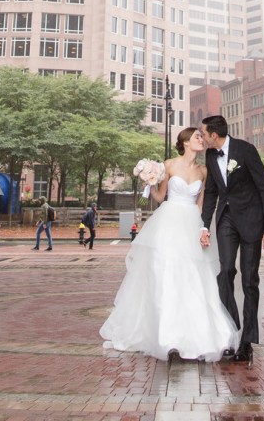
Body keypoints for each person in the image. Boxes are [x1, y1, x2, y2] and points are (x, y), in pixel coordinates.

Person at [100, 127, 238, 361]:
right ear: (185, 142)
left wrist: (203, 228)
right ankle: (169, 338)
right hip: (168, 222)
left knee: (196, 276)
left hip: (191, 223)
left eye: (201, 137)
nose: (201, 139)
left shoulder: (204, 171)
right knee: (168, 274)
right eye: (196, 136)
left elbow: (202, 204)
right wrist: (150, 179)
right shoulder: (170, 165)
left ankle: (210, 336)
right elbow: (158, 197)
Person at [200, 114, 264, 364]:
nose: (201, 137)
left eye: (203, 134)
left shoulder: (246, 150)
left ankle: (247, 341)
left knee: (249, 280)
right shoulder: (211, 156)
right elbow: (211, 192)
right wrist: (204, 225)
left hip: (252, 222)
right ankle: (232, 330)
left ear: (214, 134)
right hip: (226, 221)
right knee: (224, 272)